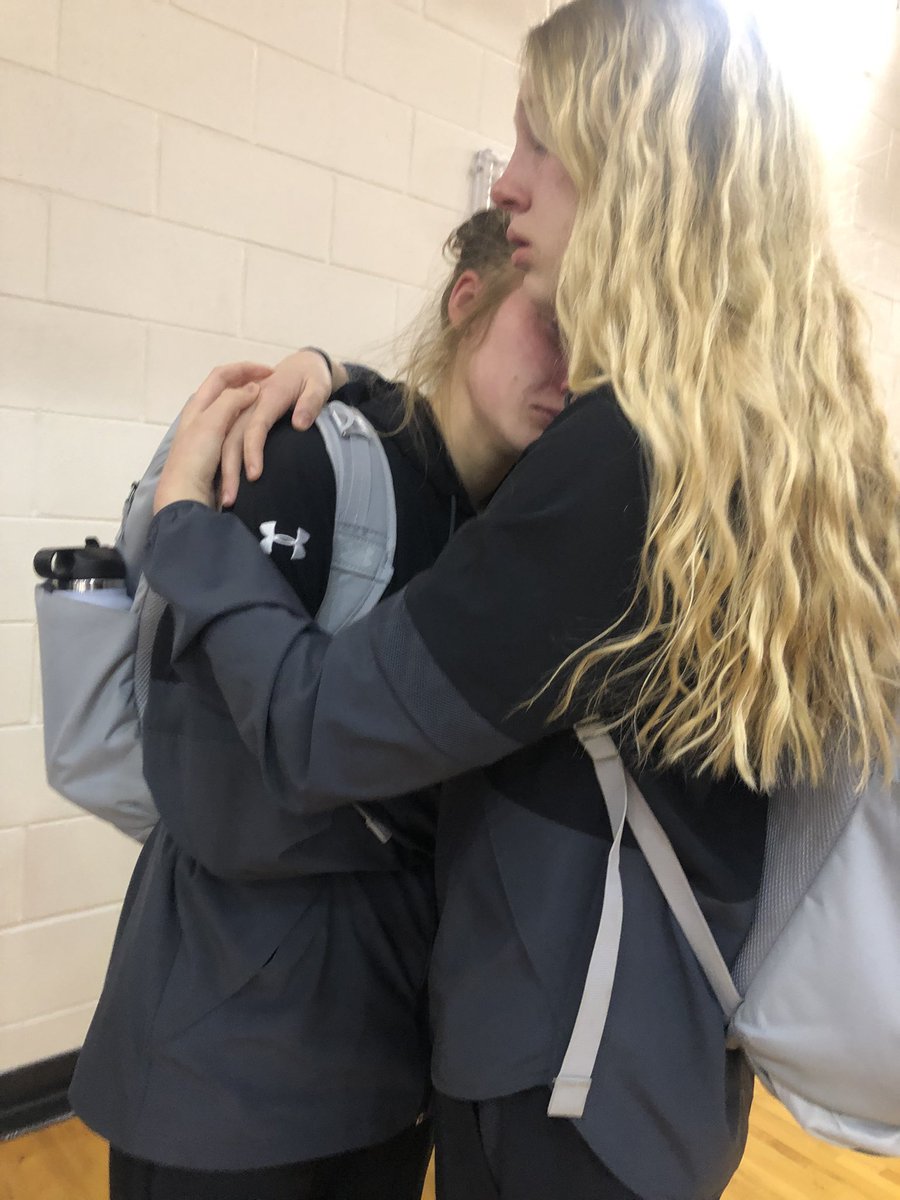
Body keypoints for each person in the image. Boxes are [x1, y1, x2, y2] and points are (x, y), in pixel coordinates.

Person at [137, 1, 900, 1197]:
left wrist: (185, 529)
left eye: (541, 144)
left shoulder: (624, 463)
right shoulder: (768, 450)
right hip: (672, 1069)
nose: (511, 187)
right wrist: (356, 381)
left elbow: (316, 728)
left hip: (558, 1075)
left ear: (636, 164)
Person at [68, 208, 568, 1200]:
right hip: (226, 1071)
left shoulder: (515, 530)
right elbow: (206, 784)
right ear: (468, 301)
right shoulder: (295, 455)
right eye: (552, 323)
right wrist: (430, 818)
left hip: (389, 1073)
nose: (570, 370)